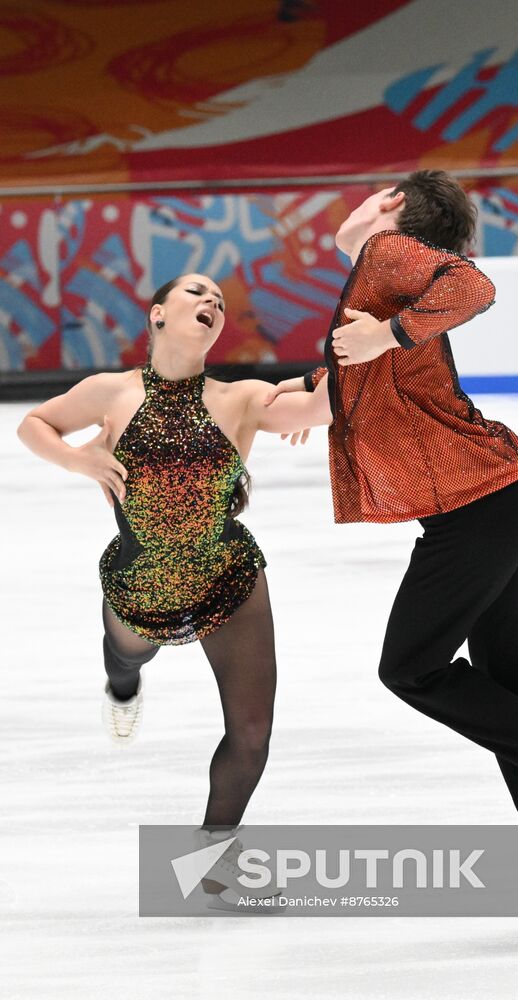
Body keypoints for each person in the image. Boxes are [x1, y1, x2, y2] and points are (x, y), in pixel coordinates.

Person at [265, 170, 518, 935]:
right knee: (509, 684)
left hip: (480, 504)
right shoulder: (371, 285)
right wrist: (313, 391)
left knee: (411, 667)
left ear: (392, 204)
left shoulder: (385, 252)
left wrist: (388, 335)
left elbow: (471, 286)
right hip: (510, 492)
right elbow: (345, 395)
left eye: (374, 197)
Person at [16, 272, 332, 910]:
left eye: (219, 300)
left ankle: (215, 857)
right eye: (196, 293)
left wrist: (332, 375)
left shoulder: (241, 397)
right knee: (127, 659)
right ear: (157, 314)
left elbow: (325, 409)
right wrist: (80, 460)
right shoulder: (112, 392)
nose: (212, 302)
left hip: (228, 579)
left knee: (252, 733)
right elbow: (34, 425)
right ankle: (123, 686)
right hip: (144, 583)